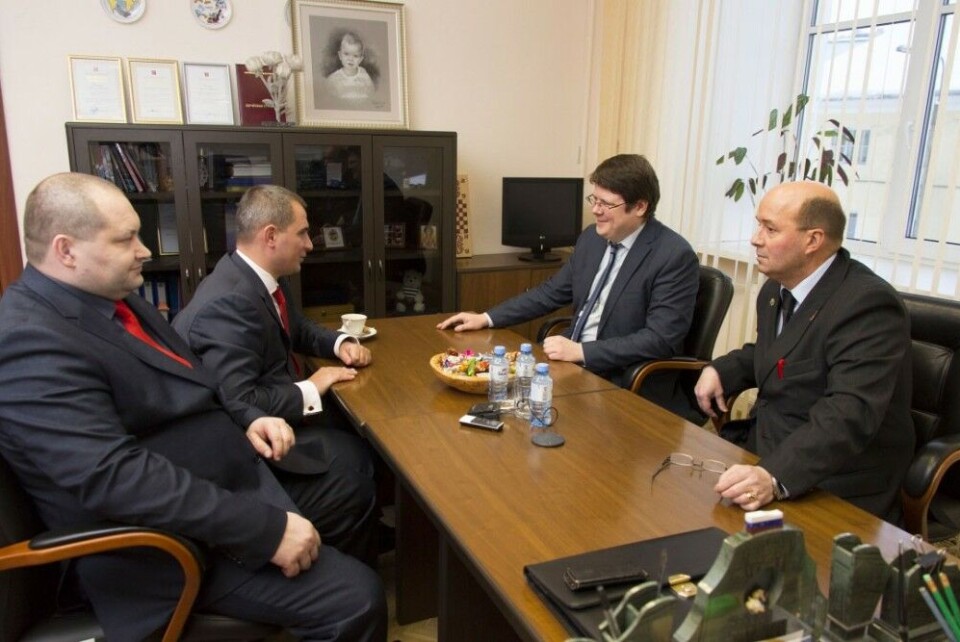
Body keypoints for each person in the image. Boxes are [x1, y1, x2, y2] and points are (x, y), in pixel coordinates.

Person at [0, 173, 386, 640]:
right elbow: (114, 477)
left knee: (348, 483)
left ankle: (298, 602)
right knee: (357, 597)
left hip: (224, 483)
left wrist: (247, 421)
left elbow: (193, 386)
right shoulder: (28, 337)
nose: (144, 250)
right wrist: (265, 531)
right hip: (166, 548)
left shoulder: (114, 300)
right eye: (126, 239)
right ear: (66, 250)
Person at [173, 184, 380, 568]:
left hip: (274, 408)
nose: (310, 245)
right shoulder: (229, 302)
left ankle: (369, 527)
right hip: (247, 447)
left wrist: (340, 343)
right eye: (302, 233)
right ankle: (347, 565)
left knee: (368, 433)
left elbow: (296, 328)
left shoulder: (258, 276)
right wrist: (311, 387)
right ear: (270, 236)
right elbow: (241, 403)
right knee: (358, 456)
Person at [694, 181, 913, 523]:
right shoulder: (775, 289)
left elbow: (848, 413)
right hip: (768, 447)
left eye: (770, 229)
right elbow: (778, 353)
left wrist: (774, 476)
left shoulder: (867, 304)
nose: (755, 239)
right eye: (758, 225)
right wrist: (720, 369)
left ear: (813, 240)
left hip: (830, 475)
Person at [437, 154, 700, 400]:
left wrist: (582, 351)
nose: (595, 210)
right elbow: (550, 293)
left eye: (606, 203)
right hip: (571, 367)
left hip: (623, 379)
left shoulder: (673, 256)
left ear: (640, 206)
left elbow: (659, 339)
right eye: (594, 199)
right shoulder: (591, 238)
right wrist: (486, 317)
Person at [325, 32, 375, 102]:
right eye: (346, 54)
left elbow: (372, 93)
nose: (350, 59)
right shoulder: (334, 79)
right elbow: (328, 98)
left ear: (360, 59)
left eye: (355, 56)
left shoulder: (364, 74)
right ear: (340, 56)